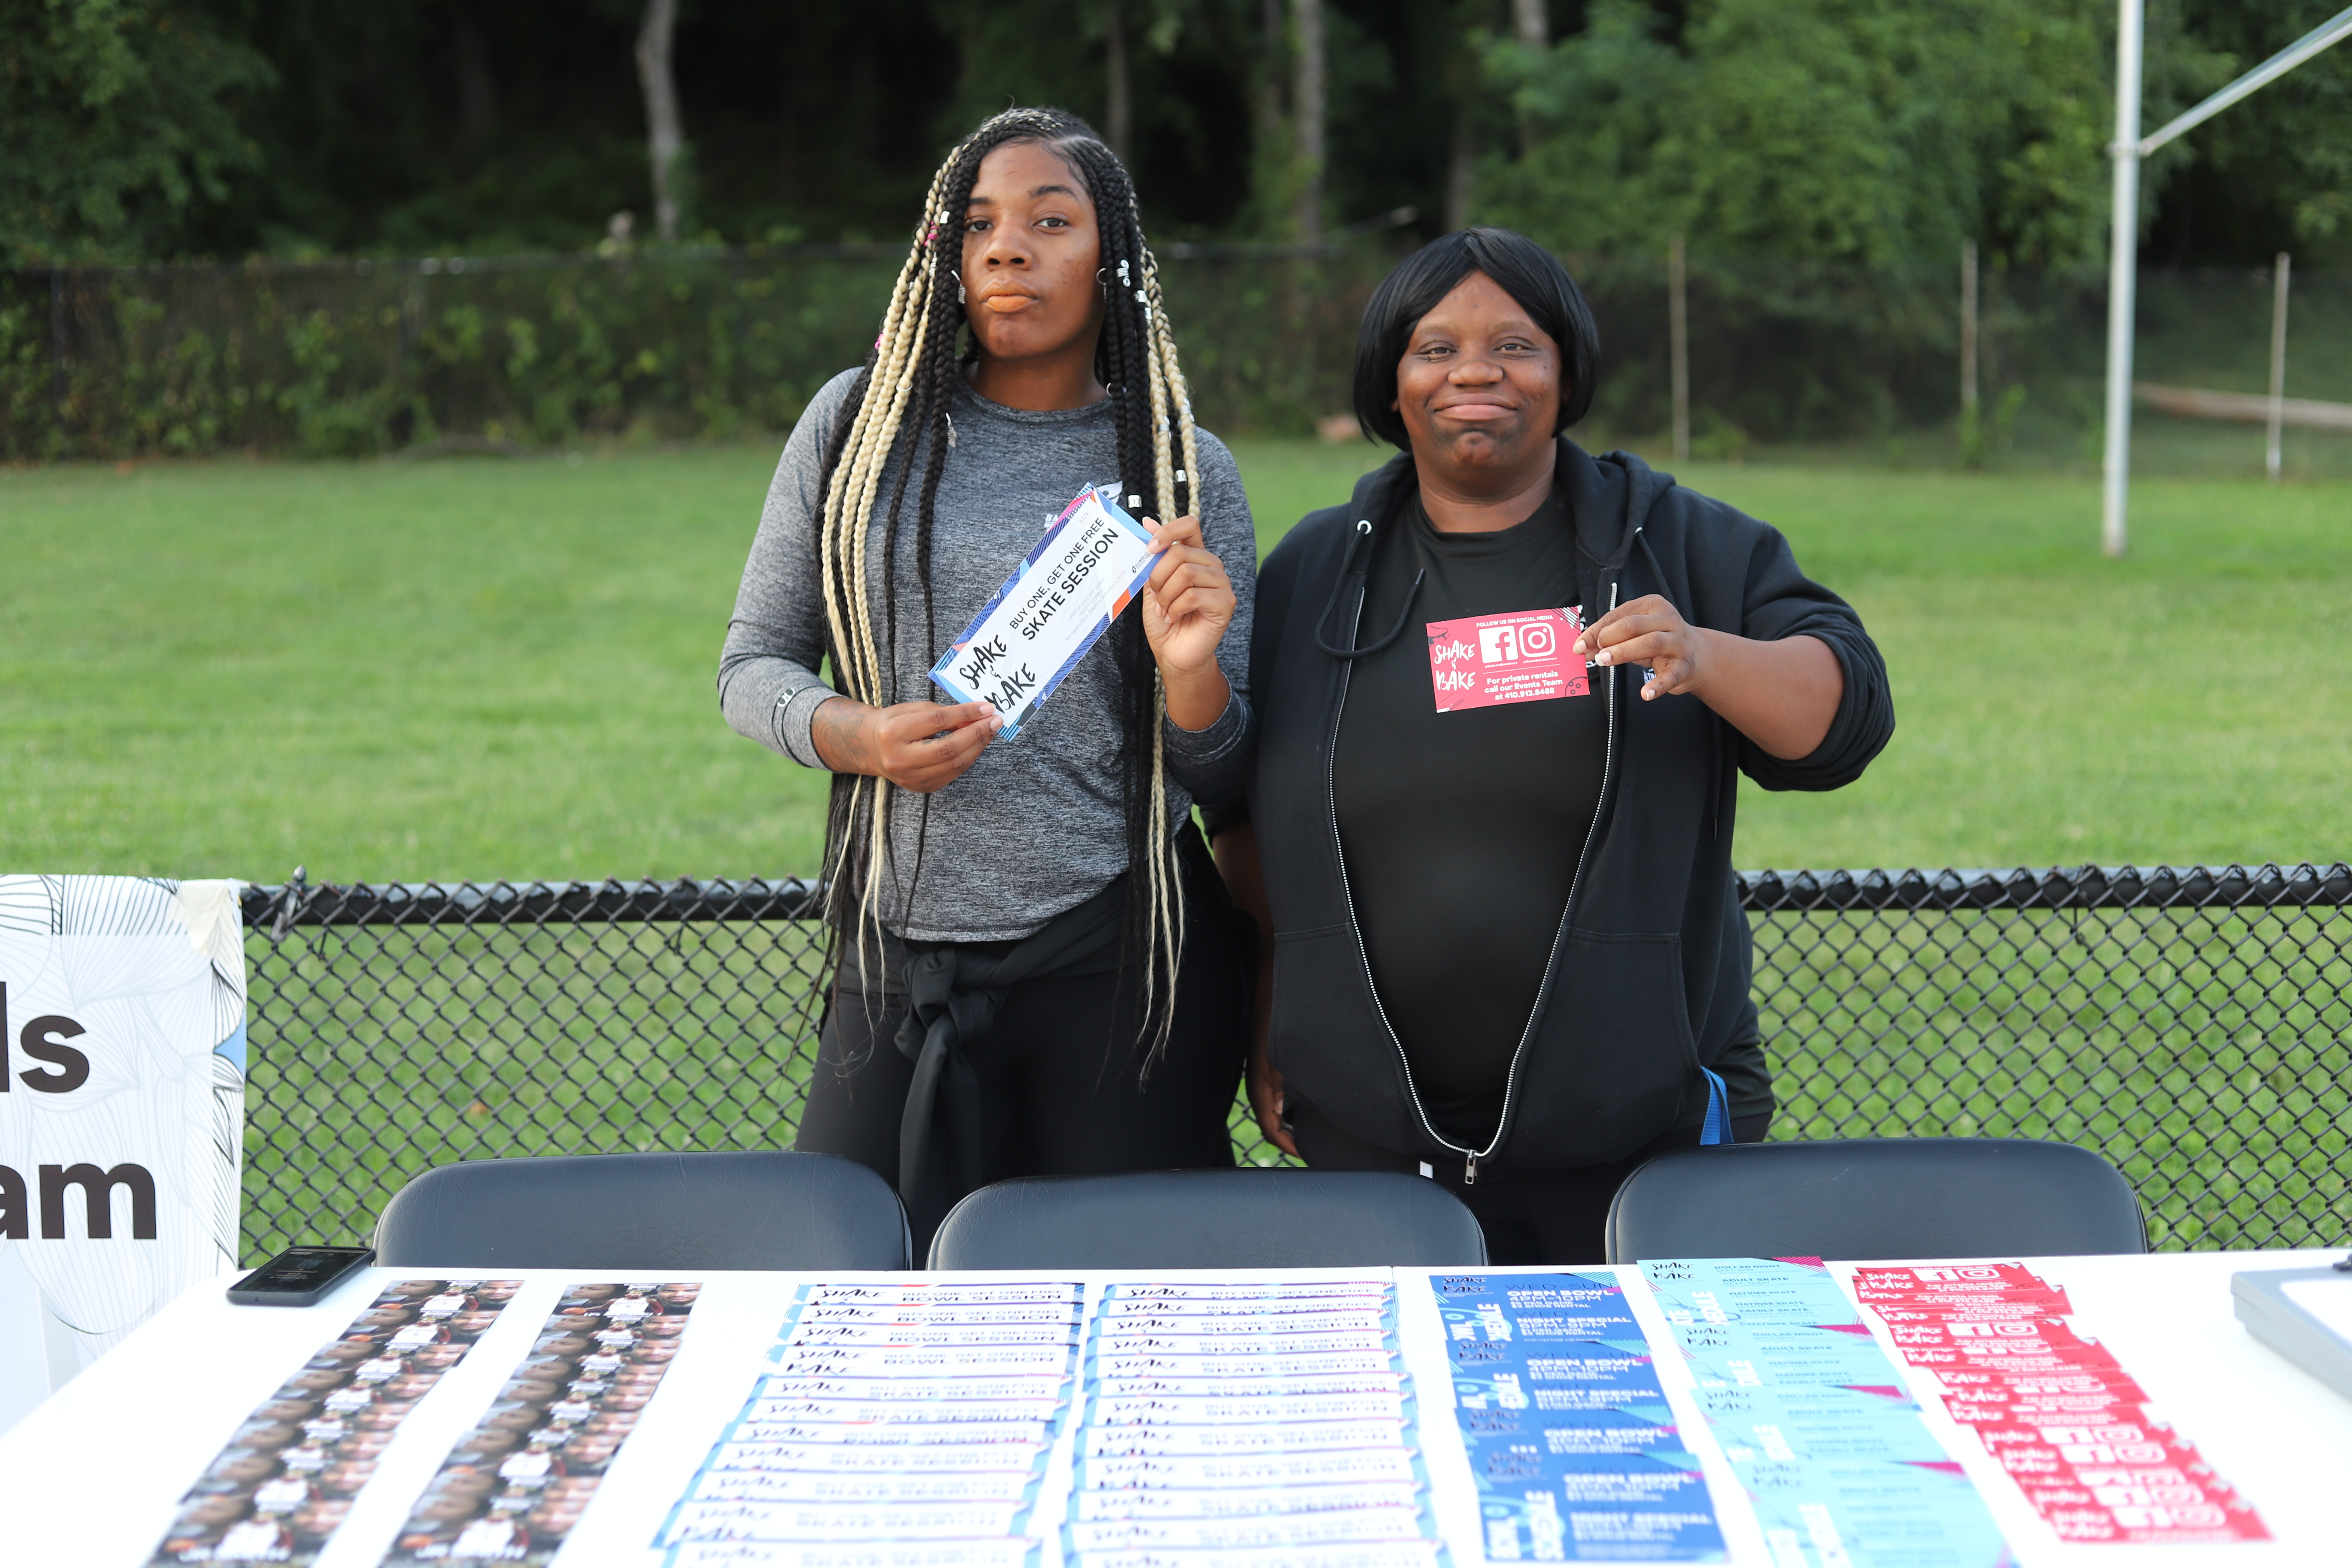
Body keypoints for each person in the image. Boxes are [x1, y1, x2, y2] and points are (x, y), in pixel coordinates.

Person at [1211, 228, 1893, 1263]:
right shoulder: (1314, 571)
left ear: (1565, 373)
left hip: (1640, 1146)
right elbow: (1249, 816)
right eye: (1435, 348)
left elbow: (1847, 718)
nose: (1475, 371)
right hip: (1374, 1142)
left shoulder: (1679, 544)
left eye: (1516, 346)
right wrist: (1273, 1016)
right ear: (1389, 384)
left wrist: (1705, 654)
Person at [718, 106, 1257, 1250]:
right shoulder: (859, 427)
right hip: (896, 952)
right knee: (854, 1281)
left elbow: (1225, 763)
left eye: (1049, 221)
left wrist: (1194, 670)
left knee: (1120, 1303)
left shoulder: (1177, 466)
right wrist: (851, 734)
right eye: (979, 225)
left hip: (1121, 958)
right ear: (948, 260)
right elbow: (750, 665)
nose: (1008, 248)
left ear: (1111, 259)